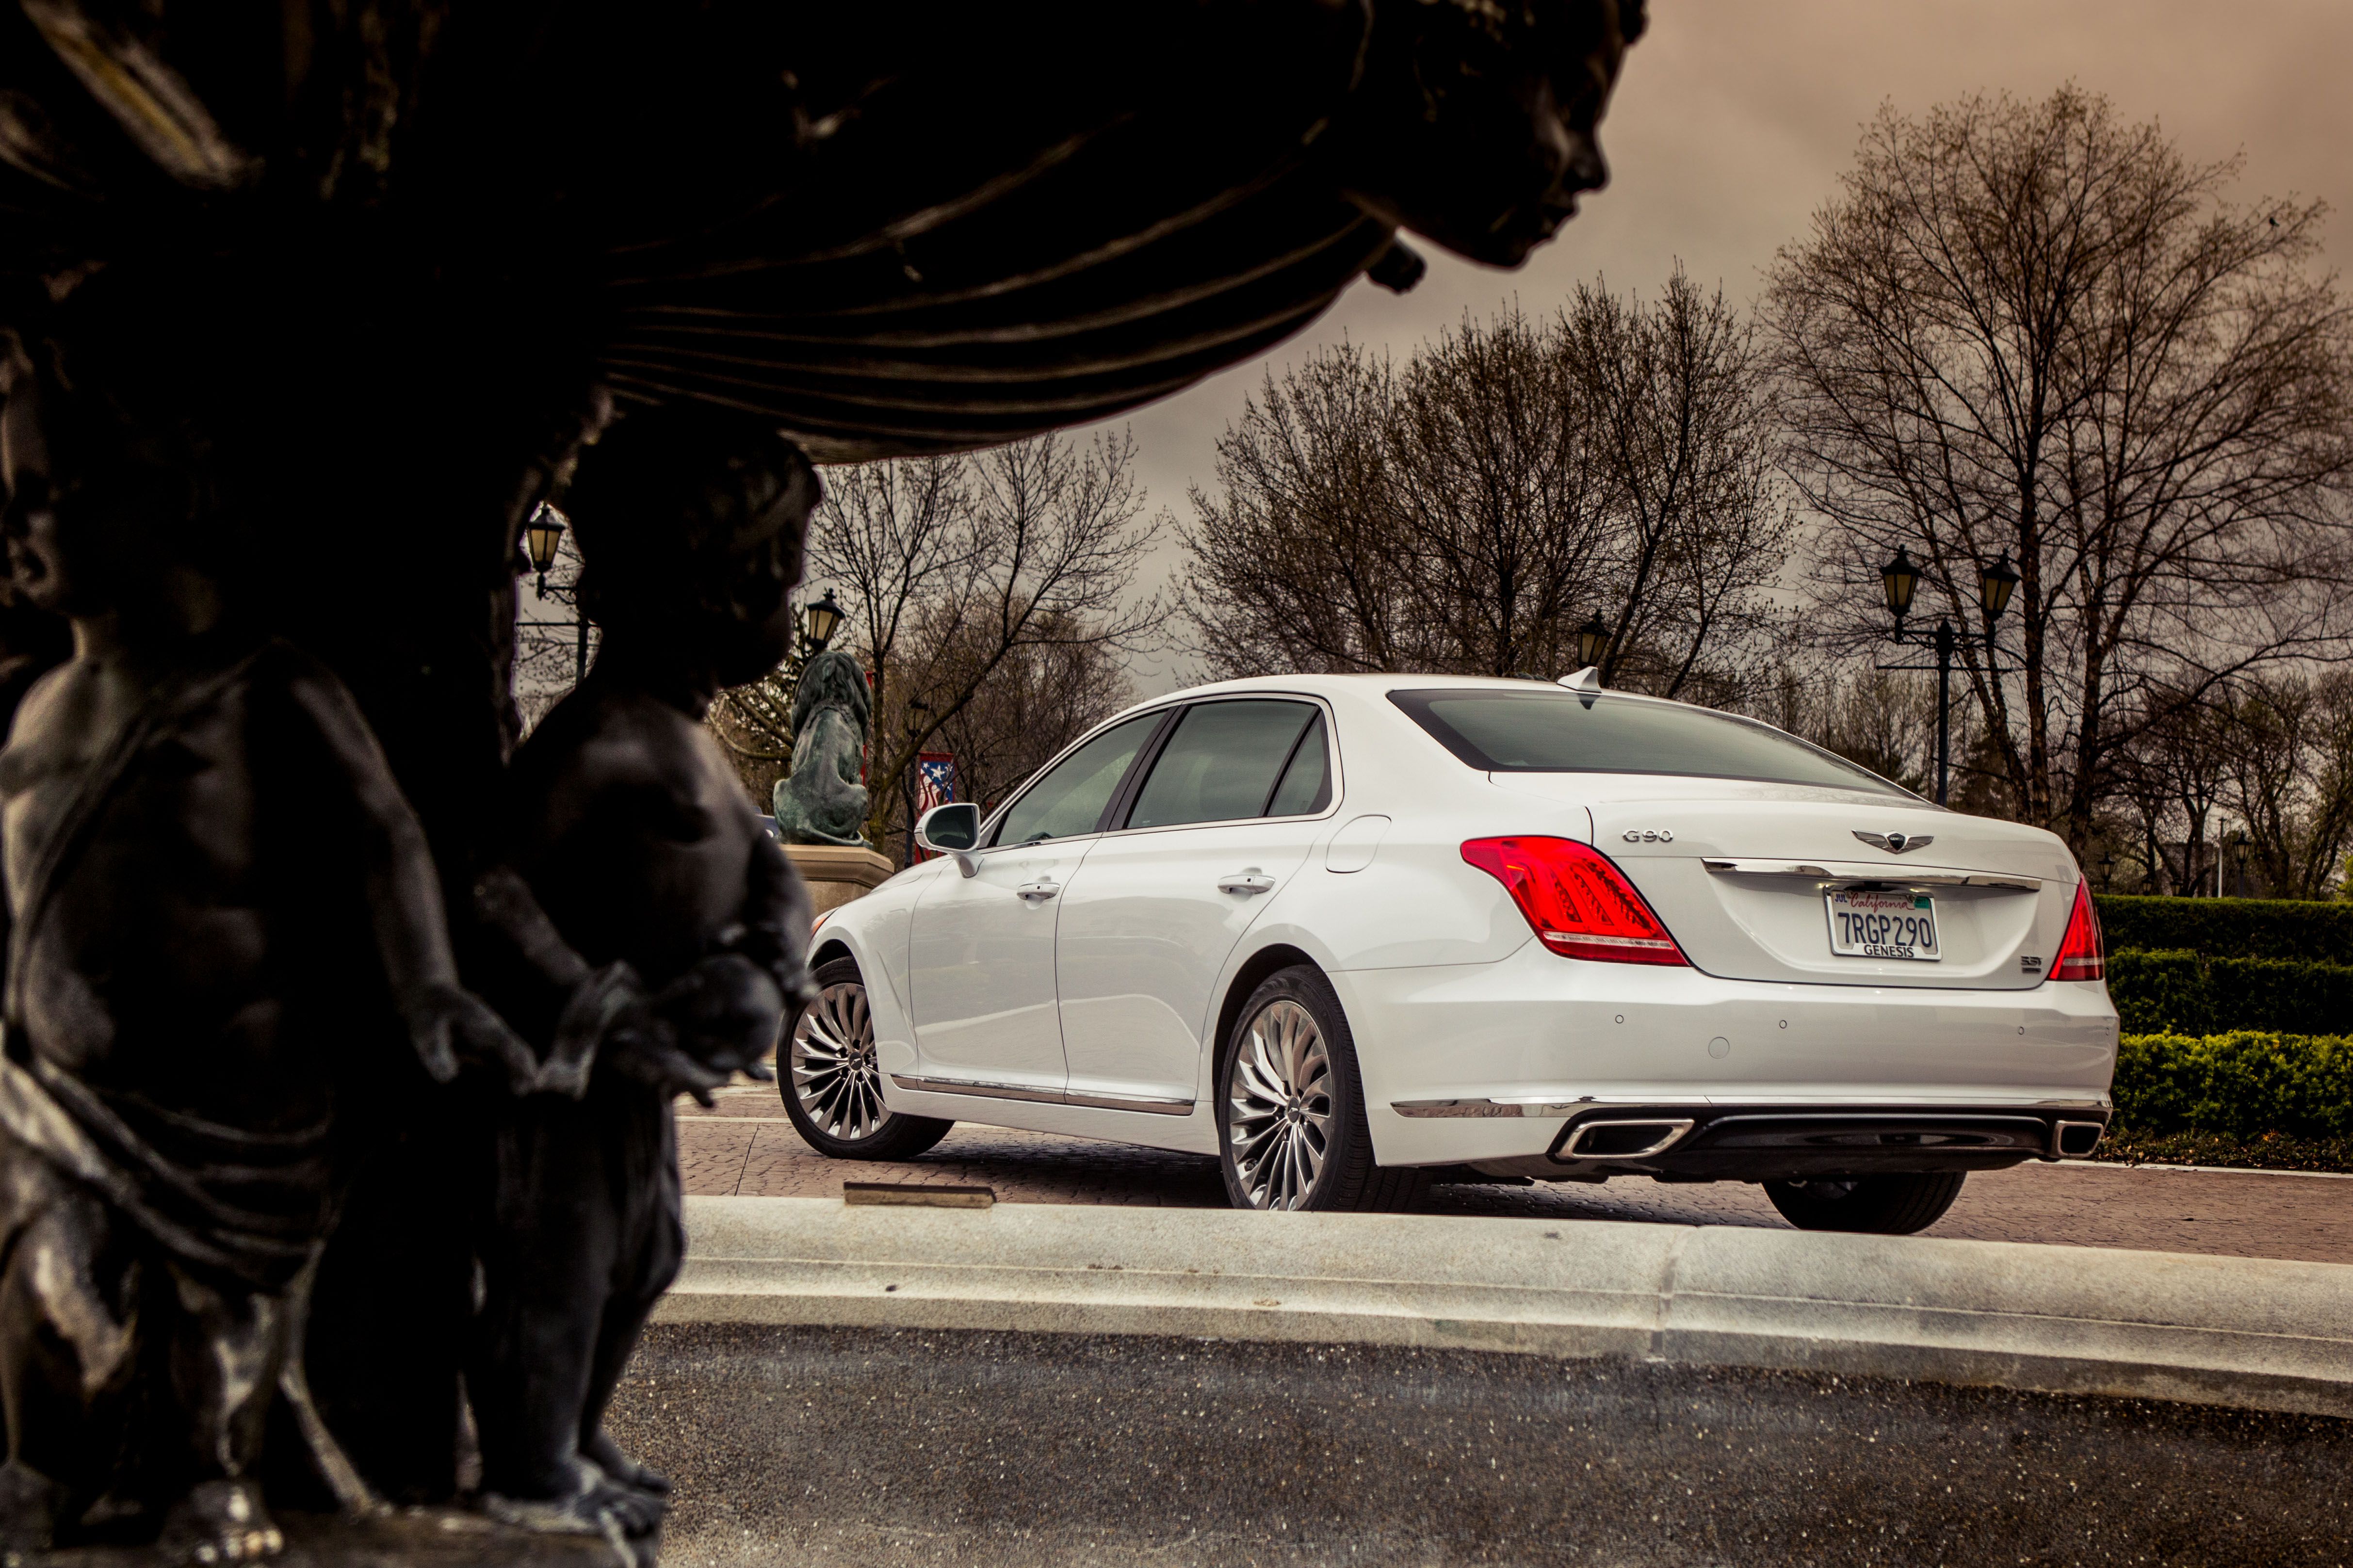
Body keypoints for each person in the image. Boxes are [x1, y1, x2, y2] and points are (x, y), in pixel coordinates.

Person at [0, 298, 529, 1561]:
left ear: (175, 493)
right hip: (55, 1094)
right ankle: (43, 1467)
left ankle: (211, 1476)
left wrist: (426, 994)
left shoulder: (267, 684)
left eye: (50, 488)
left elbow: (386, 838)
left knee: (220, 1319)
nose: (18, 522)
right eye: (11, 489)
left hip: (236, 1099)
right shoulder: (31, 709)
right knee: (43, 1299)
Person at [465, 406, 817, 1539]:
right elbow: (489, 888)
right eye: (781, 581)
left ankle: (571, 1430)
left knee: (643, 1253)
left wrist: (774, 956)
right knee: (557, 1271)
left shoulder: (686, 739)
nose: (788, 607)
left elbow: (768, 880)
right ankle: (529, 1456)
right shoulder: (602, 741)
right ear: (708, 588)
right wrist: (589, 1002)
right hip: (566, 1086)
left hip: (634, 1086)